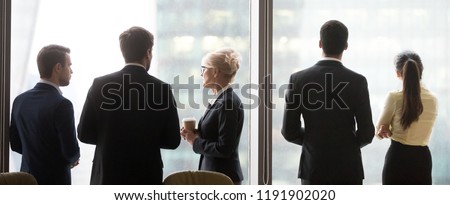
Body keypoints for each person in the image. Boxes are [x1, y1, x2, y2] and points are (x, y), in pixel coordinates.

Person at [77, 26, 181, 185]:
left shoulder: (99, 84)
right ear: (148, 52)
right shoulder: (162, 89)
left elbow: (84, 134)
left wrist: (109, 138)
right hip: (146, 176)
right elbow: (173, 140)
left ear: (123, 51)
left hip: (106, 174)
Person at [281, 20, 375, 185]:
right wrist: (346, 143)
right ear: (346, 45)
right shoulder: (358, 81)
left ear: (320, 44)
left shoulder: (298, 79)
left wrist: (314, 139)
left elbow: (289, 131)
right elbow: (367, 133)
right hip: (349, 168)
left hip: (313, 167)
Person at [9, 44, 80, 185]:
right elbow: (70, 152)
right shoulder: (62, 105)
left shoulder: (20, 100)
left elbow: (16, 144)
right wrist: (73, 158)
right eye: (69, 65)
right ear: (58, 67)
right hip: (54, 181)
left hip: (26, 179)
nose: (72, 71)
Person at [180, 48, 244, 185]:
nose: (201, 73)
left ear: (215, 71)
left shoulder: (228, 102)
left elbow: (224, 148)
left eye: (203, 68)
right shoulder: (220, 99)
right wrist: (196, 134)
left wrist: (195, 142)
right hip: (214, 176)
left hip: (222, 178)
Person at [376, 51, 437, 185]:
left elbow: (378, 132)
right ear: (421, 70)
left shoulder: (394, 97)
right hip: (423, 160)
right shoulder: (433, 100)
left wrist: (387, 130)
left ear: (398, 73)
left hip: (398, 158)